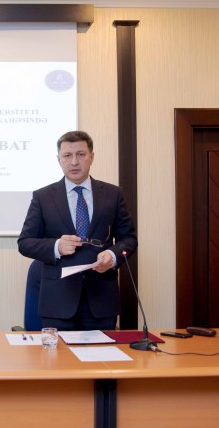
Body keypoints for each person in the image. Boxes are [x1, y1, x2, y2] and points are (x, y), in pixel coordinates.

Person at [17, 130, 137, 331]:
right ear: (59, 159)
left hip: (101, 298)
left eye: (81, 154)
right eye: (67, 155)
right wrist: (56, 246)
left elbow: (129, 239)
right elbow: (25, 243)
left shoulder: (112, 194)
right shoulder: (43, 197)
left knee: (103, 352)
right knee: (58, 353)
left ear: (92, 157)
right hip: (58, 301)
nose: (74, 162)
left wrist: (112, 255)